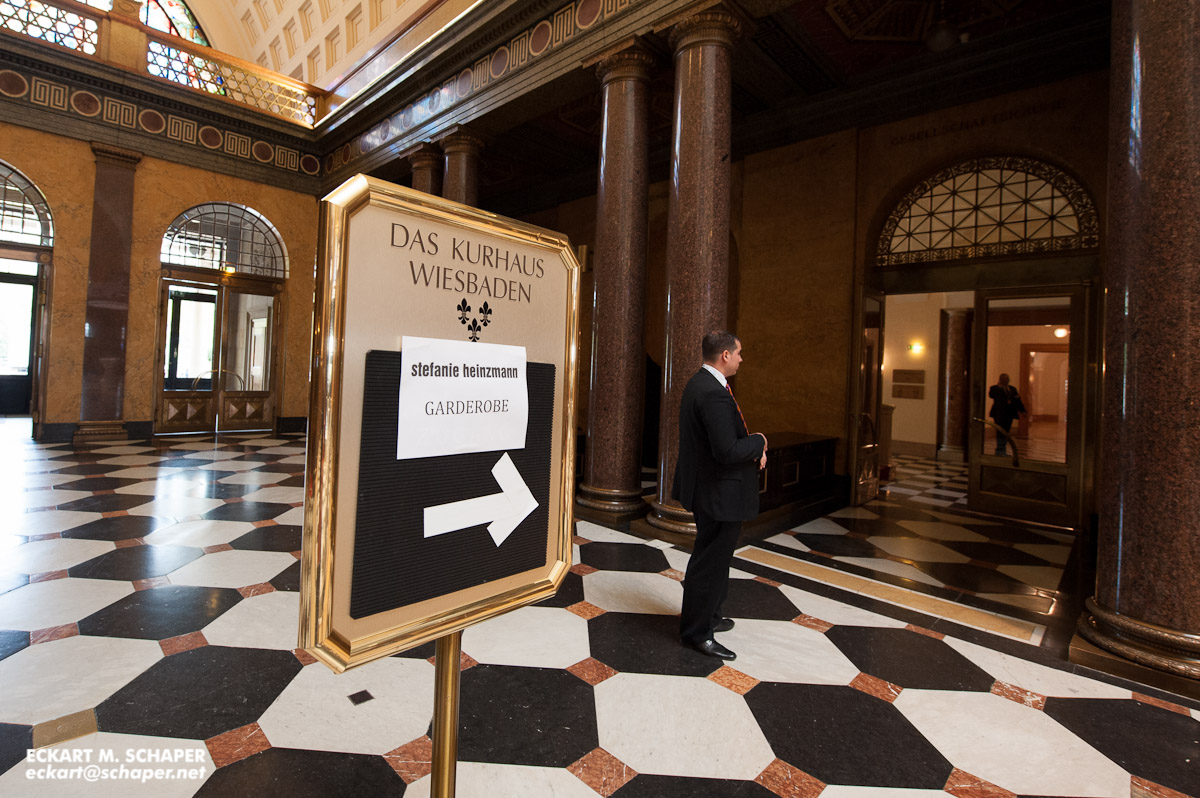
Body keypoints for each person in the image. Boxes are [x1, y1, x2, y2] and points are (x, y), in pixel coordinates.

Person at [671, 331, 767, 660]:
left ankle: (710, 616)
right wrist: (759, 441)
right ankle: (697, 634)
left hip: (710, 490)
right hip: (718, 495)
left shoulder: (700, 383)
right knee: (709, 564)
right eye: (738, 353)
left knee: (715, 559)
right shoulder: (712, 393)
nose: (741, 359)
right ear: (725, 355)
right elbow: (726, 451)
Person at [988, 373, 1026, 454]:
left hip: (1009, 414)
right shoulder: (994, 388)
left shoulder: (1012, 389)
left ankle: (1003, 449)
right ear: (1000, 380)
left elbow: (1017, 401)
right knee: (1000, 431)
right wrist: (999, 388)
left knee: (1006, 432)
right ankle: (999, 450)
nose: (1006, 380)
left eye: (1007, 379)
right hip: (999, 414)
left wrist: (1023, 411)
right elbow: (991, 395)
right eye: (1004, 379)